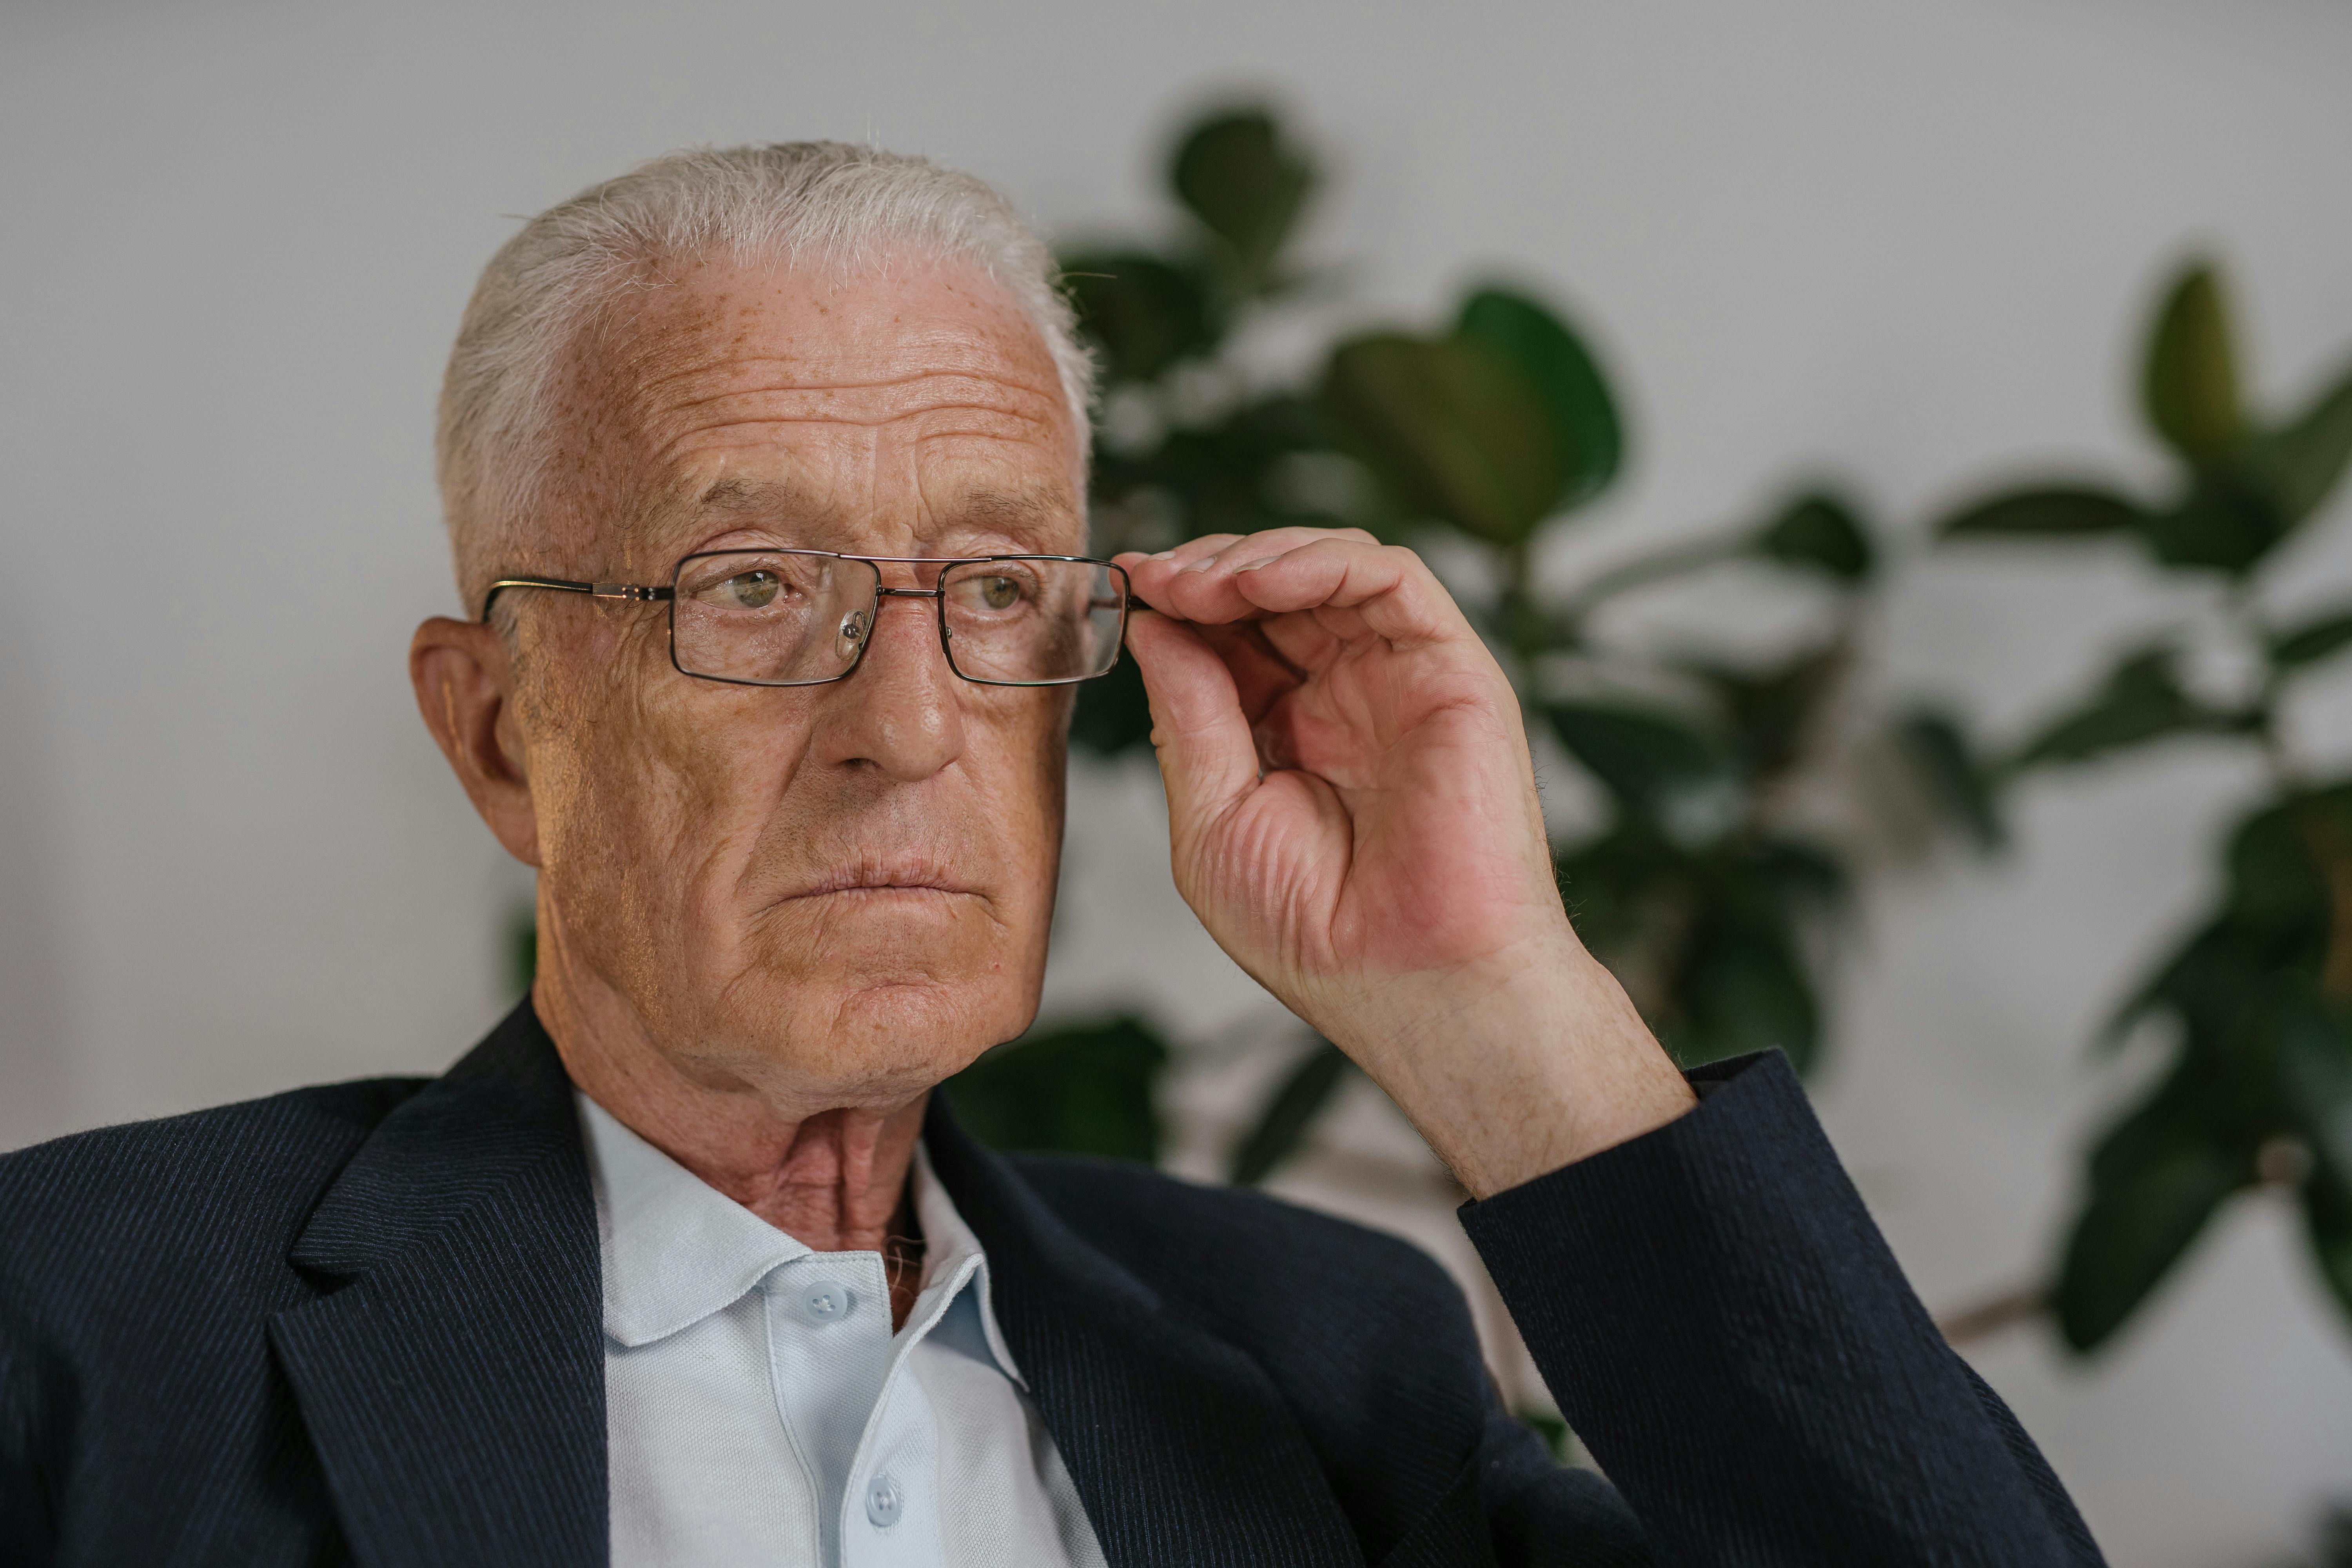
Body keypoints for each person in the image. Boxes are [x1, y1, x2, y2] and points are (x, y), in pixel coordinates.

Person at [0, 142, 2105, 1568]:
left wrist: (1497, 1007)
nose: (907, 727)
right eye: (748, 589)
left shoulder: (1322, 1355)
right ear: (499, 732)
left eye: (999, 590)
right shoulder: (80, 1328)